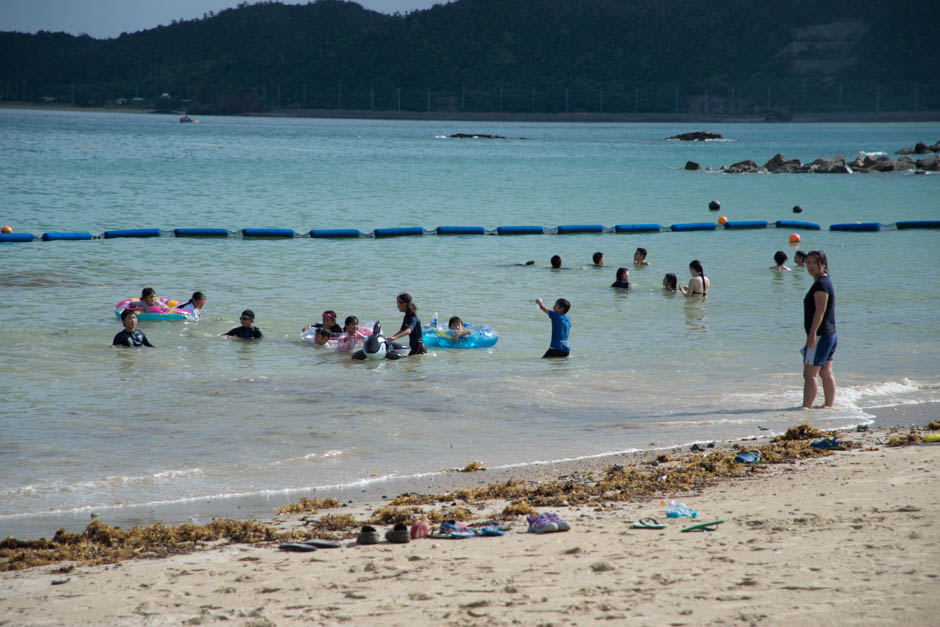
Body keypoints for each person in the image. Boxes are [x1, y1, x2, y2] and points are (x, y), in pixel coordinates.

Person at [802, 250, 837, 409]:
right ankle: (828, 406)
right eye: (808, 262)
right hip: (830, 334)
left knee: (809, 374)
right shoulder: (825, 281)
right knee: (825, 372)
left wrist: (812, 333)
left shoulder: (821, 285)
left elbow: (820, 310)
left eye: (814, 263)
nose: (810, 266)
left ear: (824, 264)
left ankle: (805, 409)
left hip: (821, 334)